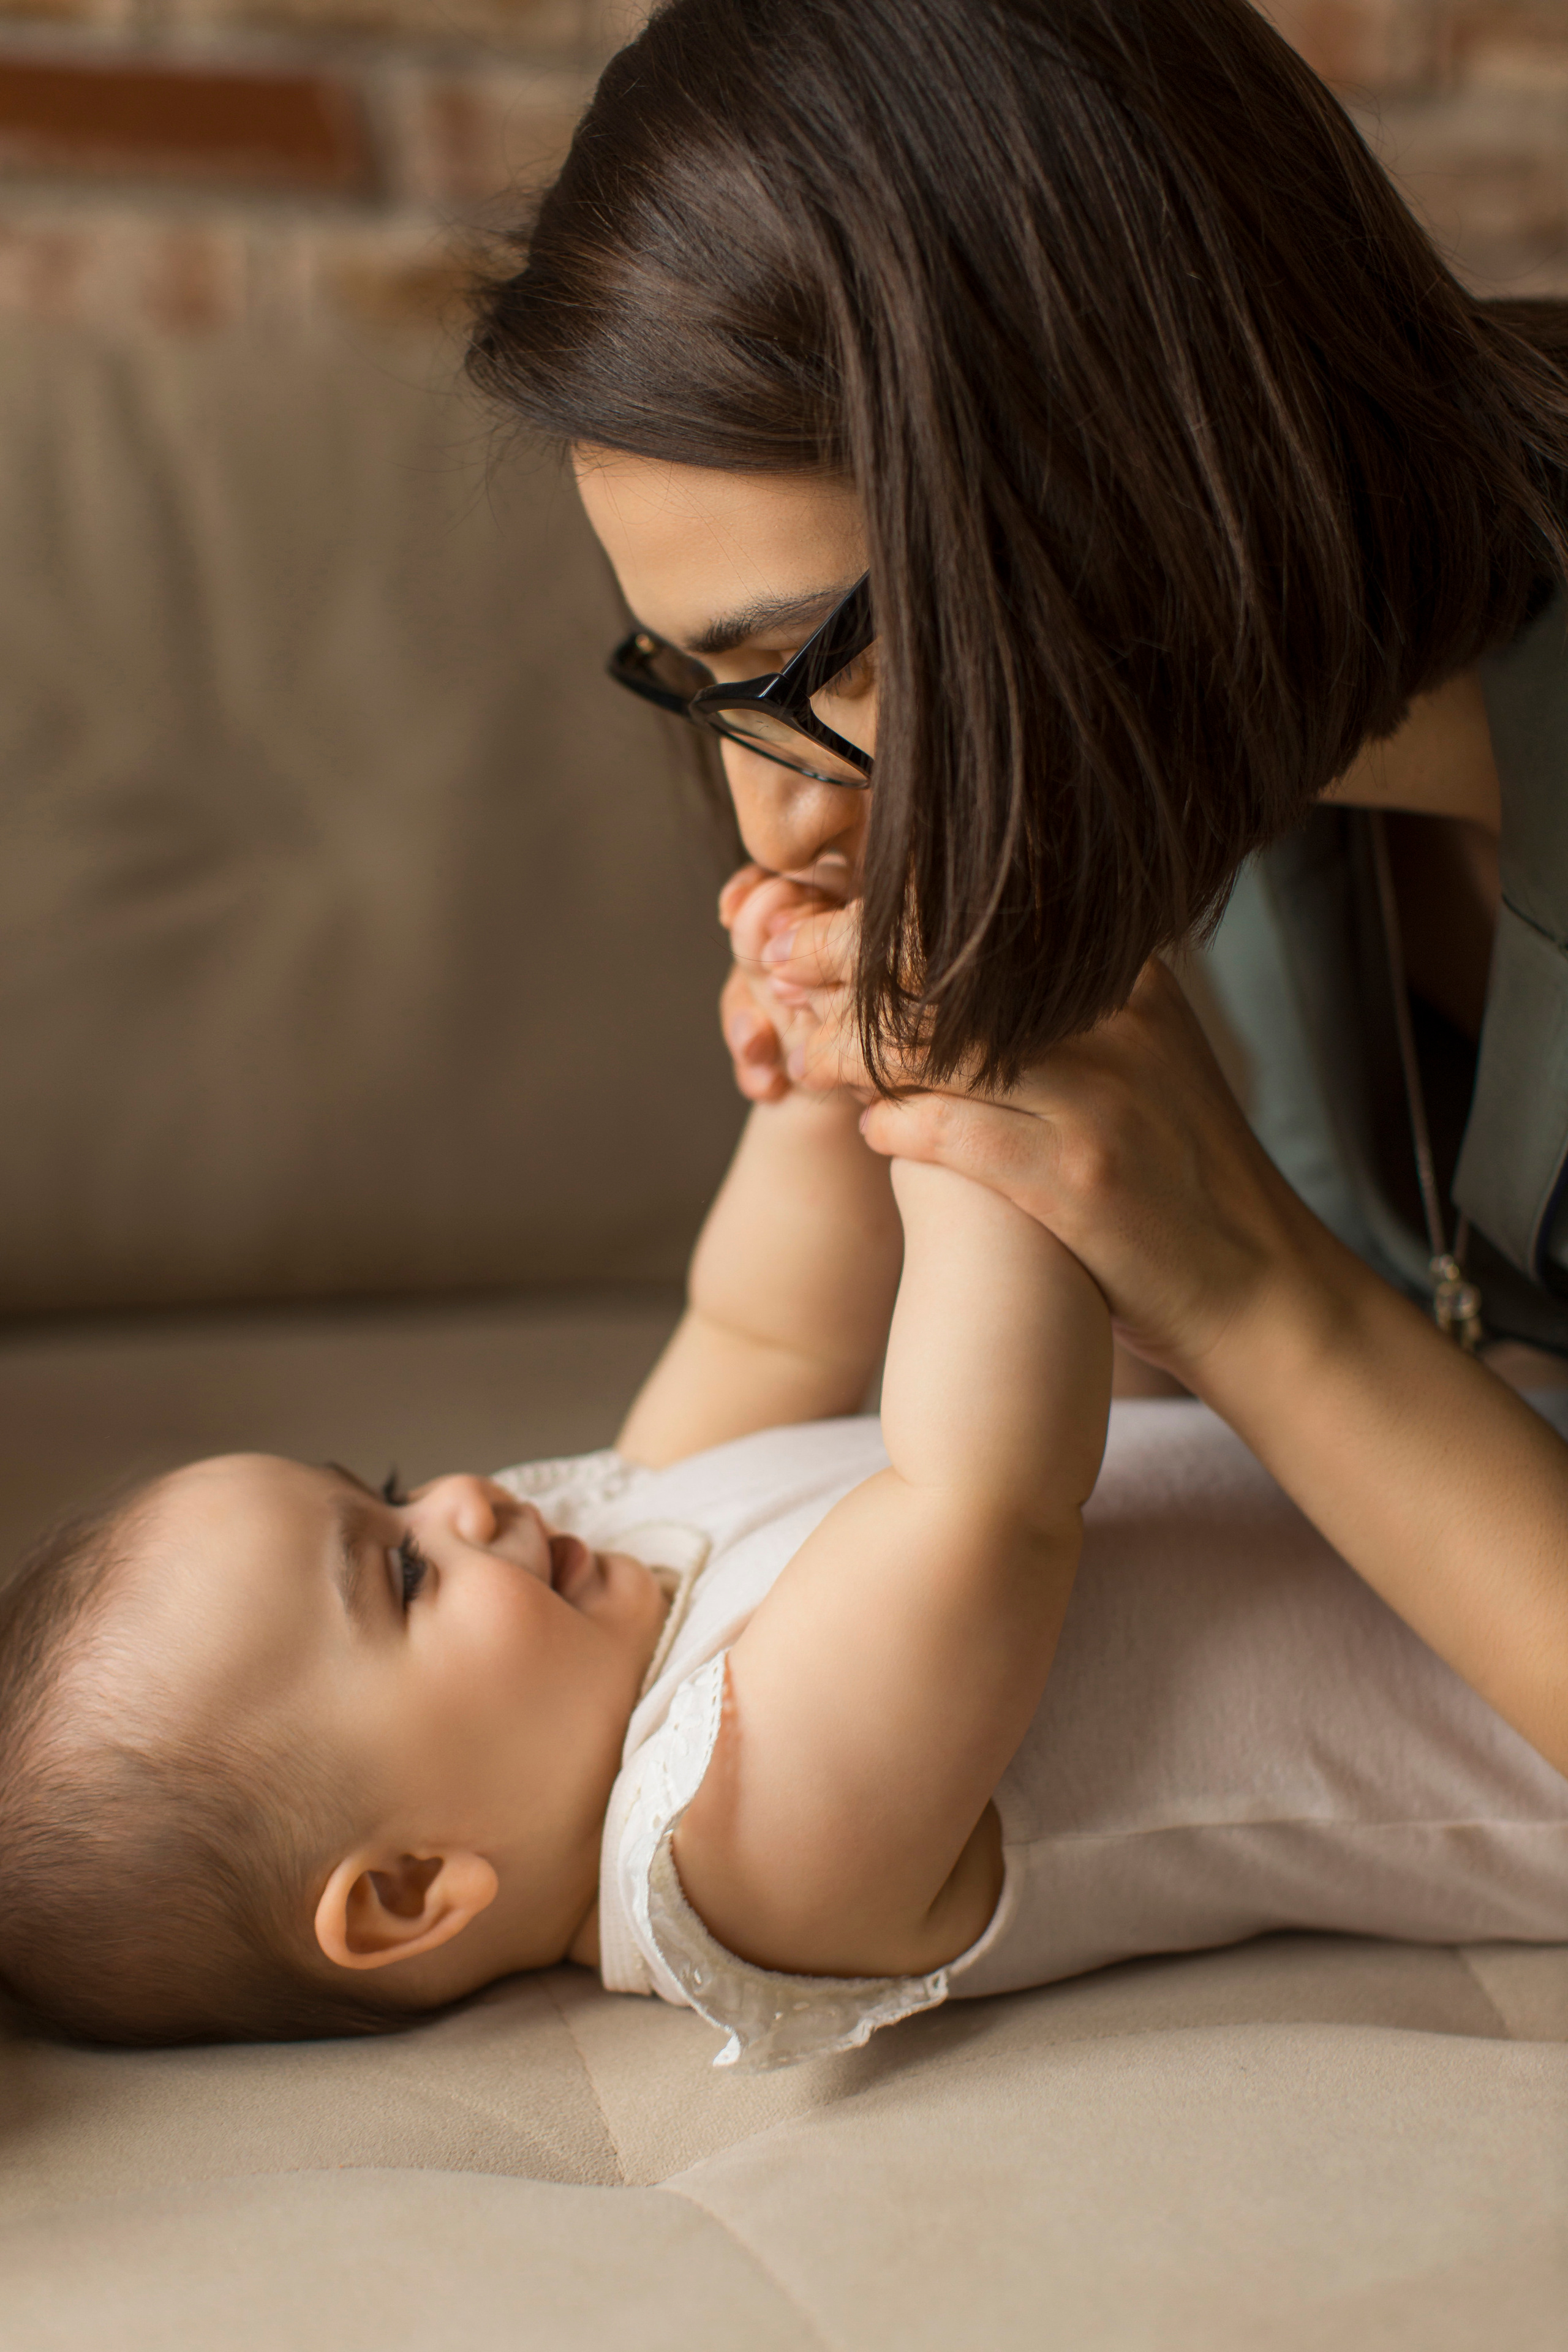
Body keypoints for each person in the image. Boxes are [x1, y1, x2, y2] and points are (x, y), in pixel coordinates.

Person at [465, 0, 1568, 1736]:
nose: (784, 826)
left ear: (1121, 462)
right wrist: (1005, 1164)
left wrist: (1248, 1284)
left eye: (814, 665)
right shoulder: (1235, 776)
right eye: (703, 692)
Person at [1, 941, 1564, 2057]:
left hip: (1484, 1468)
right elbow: (980, 1496)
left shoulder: (606, 1557)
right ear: (413, 1891)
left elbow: (768, 1323)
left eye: (392, 1494)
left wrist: (815, 1061)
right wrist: (964, 1104)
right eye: (400, 1575)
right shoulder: (731, 1855)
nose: (465, 1500)